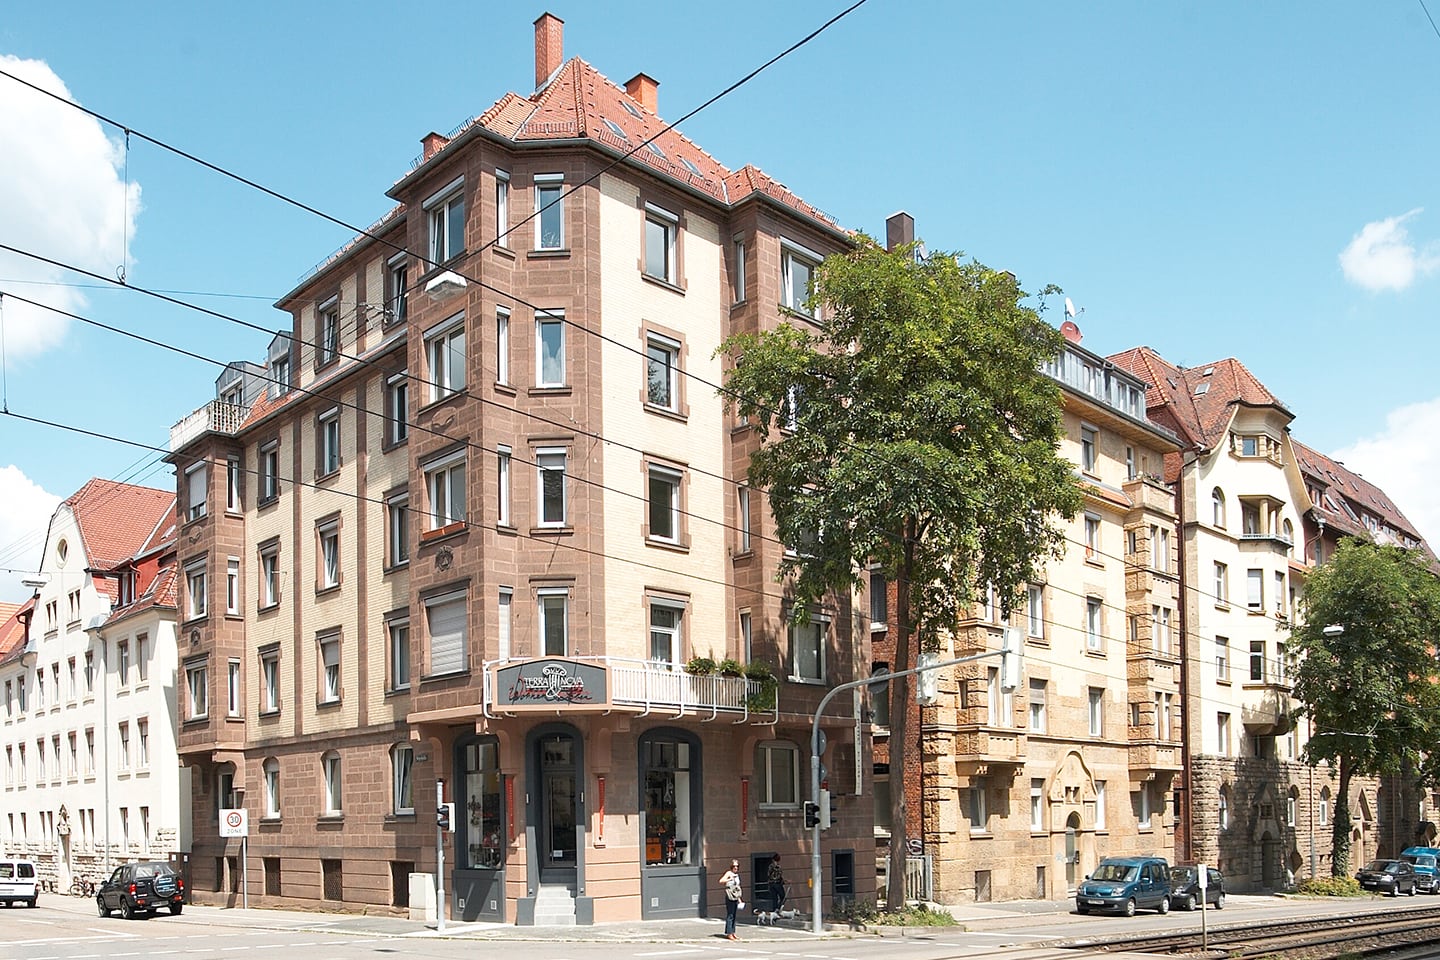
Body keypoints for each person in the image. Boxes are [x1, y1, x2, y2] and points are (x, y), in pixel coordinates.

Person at [720, 858, 743, 939]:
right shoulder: (729, 873)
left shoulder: (737, 875)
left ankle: (733, 932)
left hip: (735, 896)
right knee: (730, 915)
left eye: (737, 866)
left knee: (734, 914)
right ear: (731, 866)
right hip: (730, 896)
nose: (736, 868)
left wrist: (740, 899)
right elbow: (721, 881)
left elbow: (737, 887)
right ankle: (729, 932)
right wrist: (729, 878)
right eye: (734, 866)